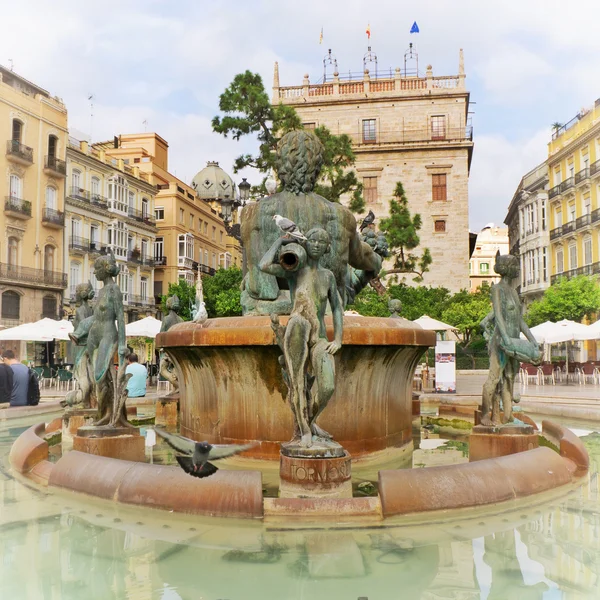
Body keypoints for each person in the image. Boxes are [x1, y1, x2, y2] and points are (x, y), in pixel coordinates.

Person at [260, 227, 343, 447]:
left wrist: (339, 339)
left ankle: (311, 421)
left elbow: (336, 308)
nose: (316, 244)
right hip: (297, 329)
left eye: (321, 241)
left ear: (327, 248)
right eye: (313, 240)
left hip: (320, 339)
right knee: (297, 384)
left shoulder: (328, 276)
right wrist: (280, 241)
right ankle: (305, 430)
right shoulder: (295, 270)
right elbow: (264, 265)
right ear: (306, 243)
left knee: (327, 387)